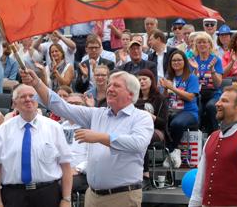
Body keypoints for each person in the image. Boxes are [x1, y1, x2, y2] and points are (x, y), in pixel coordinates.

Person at [21, 69, 153, 206]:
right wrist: (37, 84)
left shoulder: (141, 117)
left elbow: (138, 143)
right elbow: (61, 107)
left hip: (122, 196)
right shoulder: (97, 114)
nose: (110, 89)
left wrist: (100, 137)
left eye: (116, 86)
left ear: (131, 94)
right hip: (92, 196)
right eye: (109, 85)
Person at [0, 84, 72, 207]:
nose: (28, 99)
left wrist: (66, 199)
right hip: (13, 195)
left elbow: (65, 165)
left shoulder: (54, 128)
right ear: (14, 103)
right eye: (23, 96)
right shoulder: (3, 130)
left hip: (47, 194)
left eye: (32, 96)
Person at [189, 86, 237, 207]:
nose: (217, 104)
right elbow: (199, 182)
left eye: (224, 101)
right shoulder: (211, 138)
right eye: (219, 100)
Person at [160, 50, 200, 168]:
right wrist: (165, 89)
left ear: (184, 61)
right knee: (161, 122)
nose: (176, 62)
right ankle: (173, 151)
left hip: (188, 112)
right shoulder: (168, 77)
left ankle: (172, 151)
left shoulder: (191, 78)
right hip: (171, 110)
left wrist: (172, 87)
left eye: (179, 60)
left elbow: (190, 96)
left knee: (176, 123)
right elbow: (164, 97)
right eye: (174, 60)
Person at [135, 69, 168, 188]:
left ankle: (146, 176)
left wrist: (151, 117)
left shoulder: (160, 98)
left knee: (141, 138)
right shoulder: (133, 98)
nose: (142, 82)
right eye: (139, 80)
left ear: (151, 81)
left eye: (144, 79)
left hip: (156, 130)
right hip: (135, 129)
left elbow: (163, 123)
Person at [192, 32, 223, 135]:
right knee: (197, 108)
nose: (202, 45)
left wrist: (212, 70)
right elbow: (191, 82)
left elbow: (218, 84)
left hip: (213, 93)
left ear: (209, 44)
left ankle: (217, 134)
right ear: (196, 45)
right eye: (199, 42)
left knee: (211, 106)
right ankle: (197, 137)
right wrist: (195, 70)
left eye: (204, 42)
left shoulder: (215, 60)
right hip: (198, 93)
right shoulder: (193, 60)